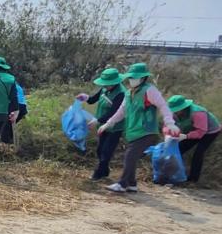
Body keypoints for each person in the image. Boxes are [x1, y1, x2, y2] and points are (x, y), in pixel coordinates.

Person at [99, 63, 179, 193]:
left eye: (135, 77)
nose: (132, 80)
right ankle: (132, 184)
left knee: (129, 156)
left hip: (146, 131)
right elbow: (122, 111)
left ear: (143, 78)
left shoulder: (149, 90)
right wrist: (109, 123)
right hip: (133, 131)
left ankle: (122, 184)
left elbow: (163, 106)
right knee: (132, 157)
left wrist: (169, 122)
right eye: (130, 77)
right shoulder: (129, 93)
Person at [76, 68, 126, 181]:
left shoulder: (121, 94)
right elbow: (93, 99)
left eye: (107, 84)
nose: (105, 86)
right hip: (102, 126)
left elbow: (113, 112)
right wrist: (86, 97)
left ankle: (97, 174)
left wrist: (98, 120)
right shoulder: (104, 89)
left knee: (106, 151)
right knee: (100, 150)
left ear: (115, 82)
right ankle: (105, 171)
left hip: (114, 127)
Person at [166, 94, 220, 184]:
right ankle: (172, 175)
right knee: (178, 149)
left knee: (198, 153)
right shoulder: (174, 114)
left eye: (176, 110)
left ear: (183, 108)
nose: (174, 112)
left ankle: (193, 180)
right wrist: (169, 134)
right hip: (193, 129)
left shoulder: (198, 113)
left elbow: (200, 132)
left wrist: (185, 136)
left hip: (209, 132)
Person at [0, 80, 26, 145]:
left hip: (15, 105)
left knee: (4, 124)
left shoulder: (9, 86)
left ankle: (4, 143)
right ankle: (11, 141)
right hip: (23, 108)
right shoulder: (19, 87)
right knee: (10, 124)